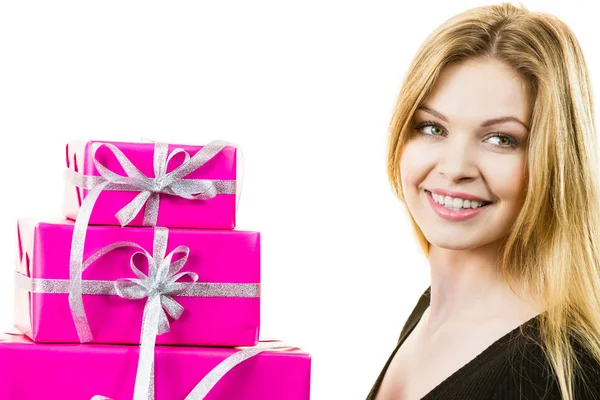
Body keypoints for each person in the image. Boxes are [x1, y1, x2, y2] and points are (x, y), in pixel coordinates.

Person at [367, 2, 600, 399]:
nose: (456, 167)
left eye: (501, 139)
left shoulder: (553, 376)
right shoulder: (429, 316)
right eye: (432, 127)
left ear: (554, 163)